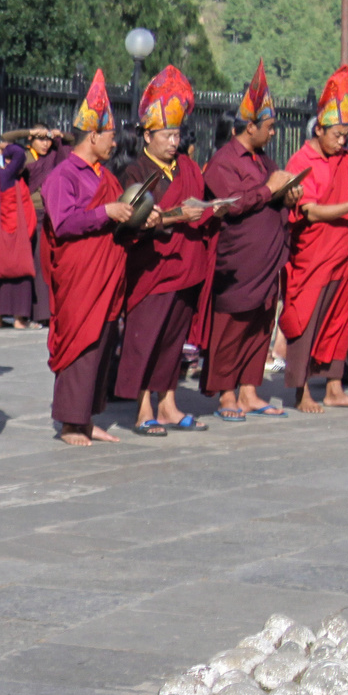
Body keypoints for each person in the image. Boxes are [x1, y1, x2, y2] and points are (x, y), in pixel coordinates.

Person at [113, 66, 215, 436]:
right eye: (167, 135)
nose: (174, 142)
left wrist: (208, 211)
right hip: (152, 269)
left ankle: (169, 403)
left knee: (174, 341)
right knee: (147, 340)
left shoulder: (187, 166)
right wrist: (175, 216)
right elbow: (132, 224)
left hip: (186, 266)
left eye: (177, 134)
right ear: (147, 135)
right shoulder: (135, 173)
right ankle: (143, 409)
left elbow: (201, 203)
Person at [280, 66, 348, 414]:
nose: (342, 142)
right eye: (336, 135)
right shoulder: (302, 160)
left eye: (345, 135)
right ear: (319, 128)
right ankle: (301, 391)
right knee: (308, 319)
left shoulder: (347, 160)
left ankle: (335, 387)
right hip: (315, 254)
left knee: (339, 320)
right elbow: (308, 211)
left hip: (345, 251)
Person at [41, 71, 138, 447]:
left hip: (108, 272)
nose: (115, 143)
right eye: (110, 136)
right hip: (81, 274)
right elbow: (64, 223)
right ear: (93, 135)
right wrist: (106, 213)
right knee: (81, 343)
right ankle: (69, 423)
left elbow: (118, 210)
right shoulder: (64, 175)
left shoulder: (105, 176)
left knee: (102, 343)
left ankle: (87, 418)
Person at [201, 61, 298, 421]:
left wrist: (287, 193)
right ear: (250, 126)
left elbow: (273, 190)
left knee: (260, 325)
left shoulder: (264, 160)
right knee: (232, 328)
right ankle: (226, 394)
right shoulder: (223, 162)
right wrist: (269, 189)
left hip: (267, 260)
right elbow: (230, 205)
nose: (273, 133)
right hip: (239, 261)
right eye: (269, 127)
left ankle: (249, 390)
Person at [0, 123, 54, 327]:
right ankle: (18, 319)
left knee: (4, 272)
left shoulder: (7, 177)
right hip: (16, 231)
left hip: (11, 229)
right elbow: (15, 150)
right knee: (23, 271)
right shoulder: (7, 175)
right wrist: (28, 133)